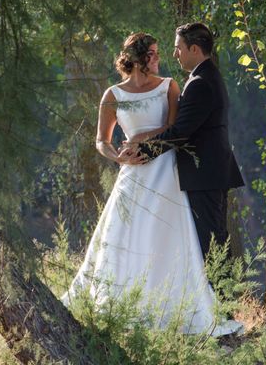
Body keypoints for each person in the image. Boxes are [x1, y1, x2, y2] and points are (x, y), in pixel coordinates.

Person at [60, 32, 242, 336]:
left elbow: (175, 128)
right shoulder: (112, 95)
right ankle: (130, 303)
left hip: (166, 168)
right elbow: (101, 141)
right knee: (129, 235)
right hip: (133, 171)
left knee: (171, 235)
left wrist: (141, 141)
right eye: (154, 53)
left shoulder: (169, 86)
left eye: (162, 52)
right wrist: (120, 158)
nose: (160, 58)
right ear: (139, 58)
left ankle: (179, 306)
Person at [133, 22, 245, 260]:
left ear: (194, 49)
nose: (175, 54)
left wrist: (143, 151)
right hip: (207, 173)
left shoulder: (201, 82)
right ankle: (218, 292)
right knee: (212, 239)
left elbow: (181, 131)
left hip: (205, 174)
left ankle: (221, 294)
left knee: (211, 242)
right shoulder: (204, 76)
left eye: (178, 48)